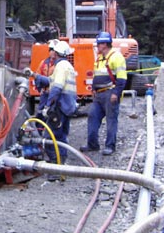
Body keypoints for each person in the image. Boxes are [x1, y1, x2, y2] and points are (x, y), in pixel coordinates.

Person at [35, 41, 77, 181]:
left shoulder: (60, 66)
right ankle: (62, 165)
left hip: (60, 106)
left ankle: (54, 168)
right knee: (62, 137)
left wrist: (48, 105)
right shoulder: (68, 66)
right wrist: (35, 76)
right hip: (68, 106)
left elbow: (57, 87)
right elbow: (50, 81)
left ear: (57, 53)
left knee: (49, 136)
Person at [80, 32, 127, 156]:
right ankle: (92, 145)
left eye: (98, 44)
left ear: (105, 44)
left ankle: (110, 146)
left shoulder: (116, 57)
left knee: (111, 120)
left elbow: (122, 79)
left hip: (110, 92)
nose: (97, 47)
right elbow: (98, 76)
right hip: (99, 95)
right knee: (92, 116)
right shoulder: (100, 58)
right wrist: (94, 90)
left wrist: (116, 93)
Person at [34, 39, 59, 126]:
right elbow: (37, 77)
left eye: (54, 50)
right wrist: (39, 89)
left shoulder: (59, 64)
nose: (53, 52)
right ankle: (39, 131)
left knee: (53, 113)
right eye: (51, 50)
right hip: (45, 93)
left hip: (55, 94)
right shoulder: (44, 63)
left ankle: (52, 132)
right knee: (41, 112)